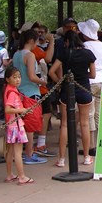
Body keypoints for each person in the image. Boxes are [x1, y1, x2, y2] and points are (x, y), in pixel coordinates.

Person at [48, 30, 96, 168]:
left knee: (64, 124)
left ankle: (62, 159)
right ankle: (87, 157)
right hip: (84, 89)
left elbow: (52, 72)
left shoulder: (64, 53)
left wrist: (61, 83)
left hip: (67, 89)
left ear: (67, 41)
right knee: (85, 123)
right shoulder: (88, 54)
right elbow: (92, 74)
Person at [13, 29, 47, 165]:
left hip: (18, 92)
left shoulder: (16, 54)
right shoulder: (30, 55)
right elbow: (32, 77)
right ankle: (29, 153)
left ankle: (20, 151)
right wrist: (43, 81)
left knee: (19, 124)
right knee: (30, 126)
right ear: (32, 41)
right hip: (31, 93)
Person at [3, 66, 34, 185]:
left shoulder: (9, 90)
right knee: (17, 151)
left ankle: (10, 174)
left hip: (11, 125)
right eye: (14, 77)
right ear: (7, 79)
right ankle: (22, 176)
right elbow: (8, 109)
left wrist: (23, 110)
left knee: (10, 151)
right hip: (16, 125)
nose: (18, 80)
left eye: (19, 77)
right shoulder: (12, 93)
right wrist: (22, 110)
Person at [79, 18, 102, 154]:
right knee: (99, 113)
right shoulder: (101, 44)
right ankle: (100, 142)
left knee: (89, 115)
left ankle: (90, 146)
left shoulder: (86, 46)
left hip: (90, 80)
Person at [30, 25, 56, 158]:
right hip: (38, 86)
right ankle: (39, 144)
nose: (39, 34)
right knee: (44, 114)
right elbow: (48, 58)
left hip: (30, 87)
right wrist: (51, 42)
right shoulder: (34, 51)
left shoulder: (19, 52)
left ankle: (29, 145)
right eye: (36, 32)